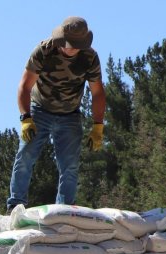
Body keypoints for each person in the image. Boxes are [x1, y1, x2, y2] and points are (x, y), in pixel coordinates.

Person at [6, 16, 106, 211]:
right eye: (68, 44)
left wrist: (98, 125)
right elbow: (25, 86)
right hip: (39, 110)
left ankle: (65, 210)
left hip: (70, 115)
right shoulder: (44, 50)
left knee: (70, 166)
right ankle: (15, 205)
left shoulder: (89, 58)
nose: (70, 48)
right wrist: (26, 118)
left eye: (76, 45)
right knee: (25, 156)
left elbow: (98, 92)